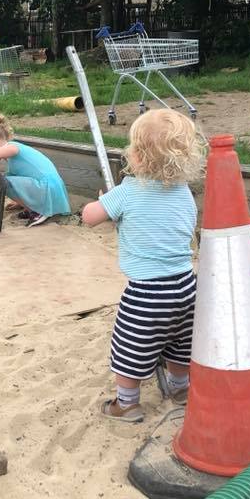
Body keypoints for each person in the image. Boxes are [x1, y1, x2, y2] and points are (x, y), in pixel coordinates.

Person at [81, 108, 206, 423]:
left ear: (136, 156)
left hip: (146, 294)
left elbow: (89, 218)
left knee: (129, 348)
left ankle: (127, 404)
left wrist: (104, 203)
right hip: (187, 287)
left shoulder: (126, 192)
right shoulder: (184, 194)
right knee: (180, 343)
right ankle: (180, 389)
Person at [0, 110, 71, 227]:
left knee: (1, 181)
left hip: (47, 187)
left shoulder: (12, 147)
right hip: (49, 188)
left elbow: (12, 150)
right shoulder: (11, 161)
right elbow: (21, 182)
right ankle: (31, 206)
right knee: (7, 178)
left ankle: (37, 211)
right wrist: (20, 202)